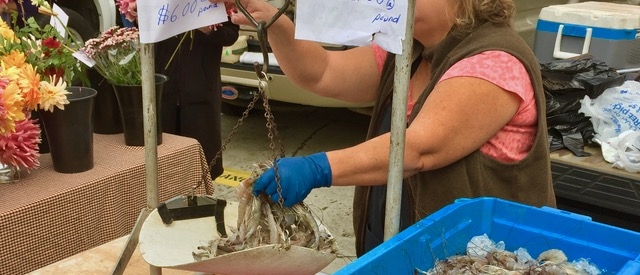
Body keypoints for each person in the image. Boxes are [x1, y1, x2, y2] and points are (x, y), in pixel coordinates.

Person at [215, 0, 557, 256]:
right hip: (402, 245)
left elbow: (418, 149)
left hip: (485, 267)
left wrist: (317, 168)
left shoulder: (495, 62)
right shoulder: (406, 51)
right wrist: (276, 23)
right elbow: (322, 72)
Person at [154, 23, 239, 180]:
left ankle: (199, 194)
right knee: (164, 156)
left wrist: (207, 27)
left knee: (202, 152)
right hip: (163, 85)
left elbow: (230, 35)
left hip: (201, 86)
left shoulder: (218, 5)